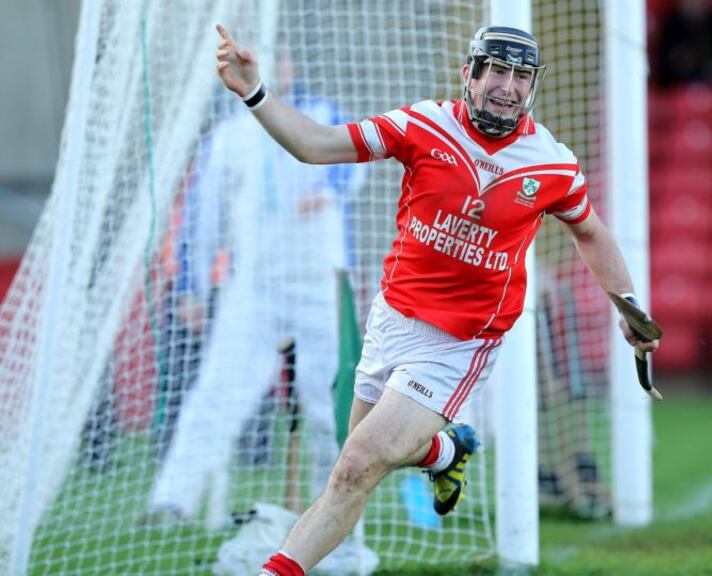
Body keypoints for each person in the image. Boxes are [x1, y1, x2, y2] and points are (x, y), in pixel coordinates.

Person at [212, 22, 660, 576]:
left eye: (521, 76)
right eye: (497, 70)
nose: (508, 86)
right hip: (392, 320)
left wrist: (627, 305)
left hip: (458, 343)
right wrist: (255, 91)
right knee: (359, 464)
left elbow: (589, 231)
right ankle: (445, 453)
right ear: (469, 72)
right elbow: (316, 145)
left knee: (355, 464)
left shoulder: (552, 163)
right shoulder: (423, 125)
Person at [148, 63, 365, 525]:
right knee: (217, 393)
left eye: (277, 56)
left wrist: (327, 190)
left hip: (319, 286)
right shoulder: (228, 137)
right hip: (254, 288)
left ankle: (333, 507)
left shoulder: (324, 114)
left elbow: (353, 169)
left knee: (328, 401)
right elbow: (202, 216)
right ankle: (174, 500)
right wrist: (193, 286)